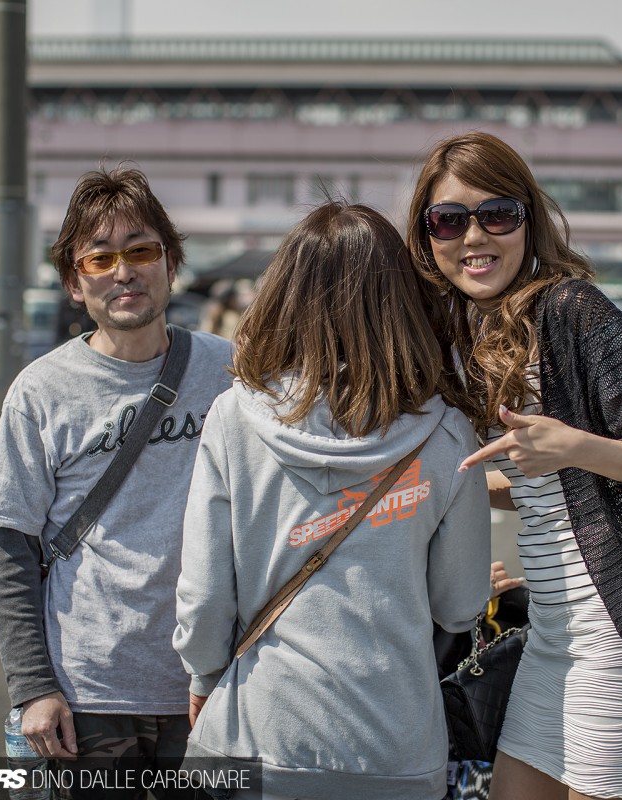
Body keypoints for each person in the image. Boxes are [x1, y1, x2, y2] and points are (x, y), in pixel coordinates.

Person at [405, 132, 622, 800]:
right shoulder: (471, 333)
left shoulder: (572, 311)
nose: (474, 237)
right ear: (426, 235)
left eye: (497, 215)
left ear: (528, 220)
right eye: (449, 219)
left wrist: (576, 446)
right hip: (550, 637)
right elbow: (536, 485)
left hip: (612, 639)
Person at [173, 200, 492, 800]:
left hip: (256, 729)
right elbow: (459, 605)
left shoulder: (235, 417)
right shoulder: (447, 433)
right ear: (402, 303)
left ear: (284, 297)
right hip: (394, 745)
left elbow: (205, 592)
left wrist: (202, 675)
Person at [0, 166, 234, 798]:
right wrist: (33, 689)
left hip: (212, 683)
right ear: (74, 281)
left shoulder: (230, 372)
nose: (124, 272)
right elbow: (13, 551)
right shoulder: (40, 393)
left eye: (142, 251)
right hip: (88, 692)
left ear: (171, 264)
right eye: (100, 259)